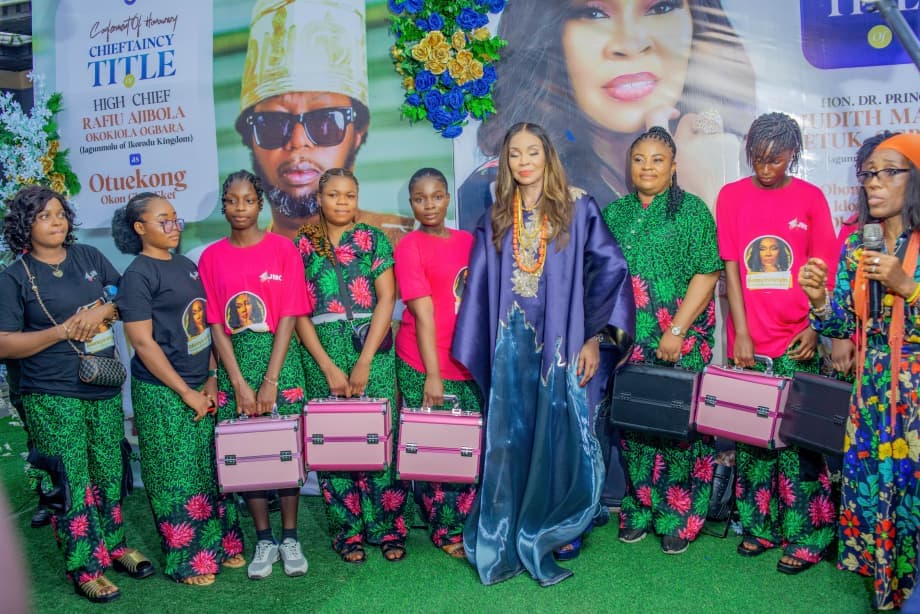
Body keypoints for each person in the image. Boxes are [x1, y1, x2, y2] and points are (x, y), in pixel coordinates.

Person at [453, 123, 634, 586]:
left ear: (547, 156)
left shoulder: (577, 207)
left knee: (561, 428)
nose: (524, 161)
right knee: (514, 432)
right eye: (515, 153)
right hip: (511, 343)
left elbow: (610, 267)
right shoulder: (497, 215)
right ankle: (508, 521)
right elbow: (479, 289)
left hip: (562, 339)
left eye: (532, 152)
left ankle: (558, 524)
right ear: (506, 161)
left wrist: (592, 336)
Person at [458, 0, 756, 230]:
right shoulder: (499, 189)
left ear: (696, 24)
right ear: (550, 35)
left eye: (661, 7)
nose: (630, 44)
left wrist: (712, 193)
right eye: (593, 13)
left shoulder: (747, 168)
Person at [0, 185, 153, 603]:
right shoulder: (15, 277)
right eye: (44, 216)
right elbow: (4, 343)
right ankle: (86, 566)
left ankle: (116, 547)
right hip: (51, 392)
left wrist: (103, 309)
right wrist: (62, 331)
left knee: (109, 470)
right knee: (71, 480)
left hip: (102, 384)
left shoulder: (88, 257)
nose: (56, 222)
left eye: (60, 214)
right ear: (25, 225)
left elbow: (124, 294)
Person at [799, 131, 920, 611]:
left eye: (889, 172)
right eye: (868, 173)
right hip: (871, 393)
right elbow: (846, 327)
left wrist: (908, 287)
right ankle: (889, 589)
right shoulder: (857, 247)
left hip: (915, 393)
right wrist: (820, 301)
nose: (874, 182)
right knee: (879, 489)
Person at [715, 112, 838, 574]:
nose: (766, 168)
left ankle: (809, 536)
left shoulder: (810, 197)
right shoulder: (731, 196)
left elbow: (826, 271)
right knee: (753, 440)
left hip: (798, 337)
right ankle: (760, 526)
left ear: (793, 154)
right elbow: (731, 268)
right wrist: (741, 333)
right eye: (759, 158)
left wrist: (816, 328)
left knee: (799, 442)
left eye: (776, 159)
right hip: (752, 340)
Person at [111, 192, 245, 586]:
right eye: (163, 221)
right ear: (140, 228)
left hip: (201, 384)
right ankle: (189, 561)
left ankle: (222, 545)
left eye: (175, 219)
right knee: (175, 475)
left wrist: (211, 377)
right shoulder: (138, 275)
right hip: (163, 392)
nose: (174, 227)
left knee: (210, 468)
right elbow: (143, 343)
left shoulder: (186, 265)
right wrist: (185, 393)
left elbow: (203, 326)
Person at [602, 126, 721, 554]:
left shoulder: (692, 211)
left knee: (677, 429)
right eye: (639, 159)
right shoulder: (615, 214)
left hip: (680, 340)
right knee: (634, 426)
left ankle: (679, 516)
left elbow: (707, 272)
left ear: (673, 166)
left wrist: (677, 330)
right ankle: (639, 508)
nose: (647, 167)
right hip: (629, 342)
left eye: (657, 159)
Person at [198, 170, 311, 580]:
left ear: (260, 204)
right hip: (236, 366)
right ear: (223, 205)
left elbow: (289, 316)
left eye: (248, 200)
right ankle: (264, 539)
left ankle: (290, 537)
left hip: (280, 362)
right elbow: (215, 323)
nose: (240, 208)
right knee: (248, 454)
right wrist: (239, 383)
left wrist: (270, 380)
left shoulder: (283, 250)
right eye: (232, 200)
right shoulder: (211, 257)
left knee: (285, 451)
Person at [294, 168, 406, 565]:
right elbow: (297, 310)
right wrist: (327, 366)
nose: (342, 202)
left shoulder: (373, 239)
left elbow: (387, 298)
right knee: (334, 442)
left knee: (380, 438)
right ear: (318, 199)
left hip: (371, 349)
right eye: (333, 195)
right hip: (321, 353)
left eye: (350, 195)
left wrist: (364, 361)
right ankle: (348, 531)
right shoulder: (302, 244)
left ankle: (387, 528)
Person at [236, 0, 413, 242]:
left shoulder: (406, 244)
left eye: (324, 122)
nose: (298, 142)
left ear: (358, 133)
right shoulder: (230, 257)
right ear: (250, 138)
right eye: (274, 124)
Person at [393, 167, 482, 559]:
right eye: (419, 198)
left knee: (466, 447)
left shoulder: (467, 241)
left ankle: (464, 522)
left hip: (465, 362)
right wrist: (432, 374)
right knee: (436, 449)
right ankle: (445, 530)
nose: (429, 205)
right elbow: (423, 313)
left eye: (436, 196)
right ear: (411, 203)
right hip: (423, 362)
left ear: (447, 198)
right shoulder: (409, 246)